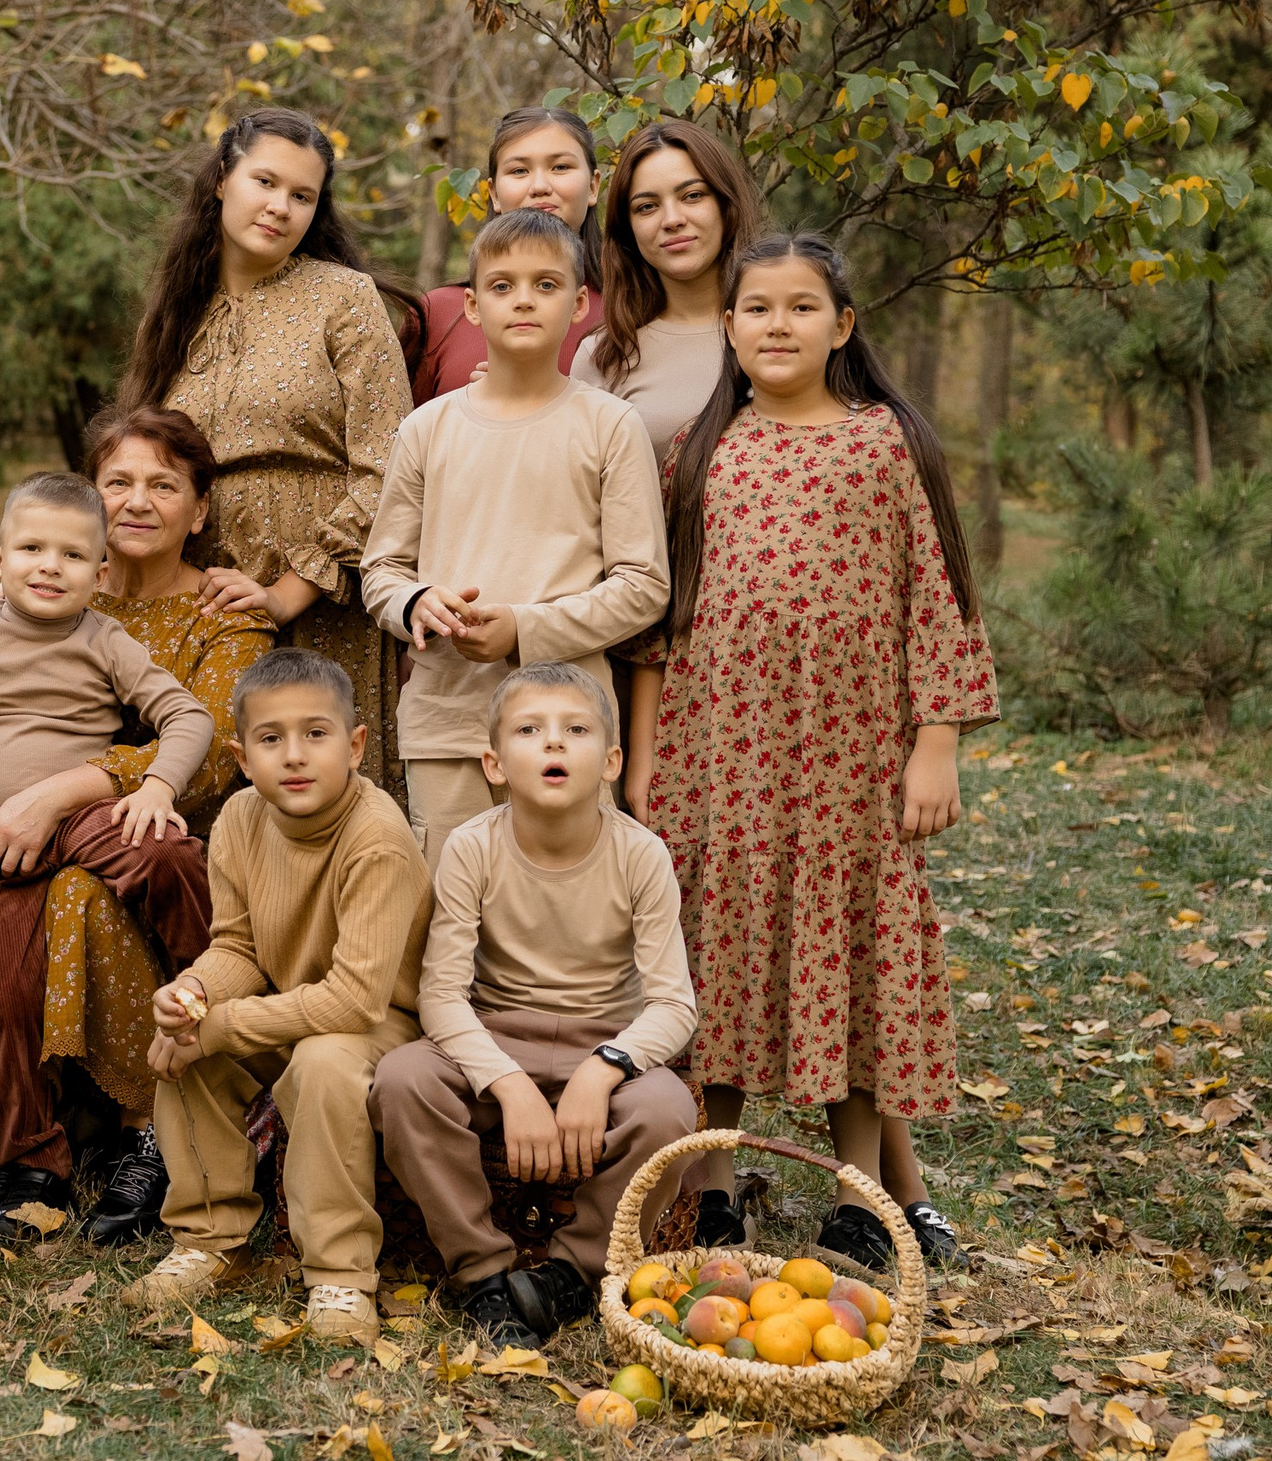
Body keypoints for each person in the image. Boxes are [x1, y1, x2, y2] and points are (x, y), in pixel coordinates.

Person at [623, 232, 995, 1270]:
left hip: (848, 762)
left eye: (799, 308)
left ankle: (860, 1195)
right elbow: (660, 628)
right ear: (728, 329)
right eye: (756, 309)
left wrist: (936, 745)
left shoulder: (884, 444)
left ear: (841, 325)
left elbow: (940, 600)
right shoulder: (697, 455)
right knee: (720, 963)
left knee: (856, 966)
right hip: (720, 759)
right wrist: (647, 758)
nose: (776, 325)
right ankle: (709, 1192)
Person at [0, 407, 274, 1246]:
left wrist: (66, 792)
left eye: (163, 485)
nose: (138, 500)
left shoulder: (188, 620)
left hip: (123, 823)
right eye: (119, 482)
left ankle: (192, 1073)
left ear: (197, 510)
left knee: (123, 869)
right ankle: (24, 1145)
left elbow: (203, 742)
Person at [370, 662, 696, 1346]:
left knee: (668, 1112)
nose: (553, 744)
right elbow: (442, 995)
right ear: (494, 762)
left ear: (611, 760)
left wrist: (604, 1068)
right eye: (530, 730)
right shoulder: (472, 847)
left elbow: (672, 1005)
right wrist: (509, 1084)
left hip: (603, 1037)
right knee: (403, 1080)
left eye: (575, 729)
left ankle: (570, 1275)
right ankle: (483, 1274)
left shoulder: (642, 854)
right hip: (496, 1032)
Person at [126, 649, 429, 1346]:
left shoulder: (375, 838)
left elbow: (355, 1002)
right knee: (184, 1043)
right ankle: (213, 1239)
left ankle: (341, 1274)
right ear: (242, 755)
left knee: (322, 1062)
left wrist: (226, 1022)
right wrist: (196, 994)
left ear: (355, 745)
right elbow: (237, 947)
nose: (294, 756)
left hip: (384, 1025)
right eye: (271, 739)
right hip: (291, 1007)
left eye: (316, 734)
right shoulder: (238, 819)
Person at [362, 209, 669, 874]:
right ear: (471, 305)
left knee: (569, 916)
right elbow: (382, 567)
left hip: (568, 721)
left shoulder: (612, 426)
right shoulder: (426, 429)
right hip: (448, 720)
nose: (523, 299)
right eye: (502, 286)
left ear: (581, 302)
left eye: (545, 284)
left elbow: (644, 585)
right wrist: (416, 604)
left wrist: (523, 630)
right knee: (453, 921)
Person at [121, 105, 416, 795]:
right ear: (223, 179)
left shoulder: (344, 298)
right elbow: (136, 464)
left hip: (322, 606)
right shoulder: (174, 313)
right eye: (265, 182)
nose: (281, 206)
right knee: (204, 796)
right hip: (200, 604)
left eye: (303, 195)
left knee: (317, 803)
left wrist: (287, 594)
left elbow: (394, 466)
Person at [569, 117, 762, 464]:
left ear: (724, 203)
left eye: (692, 195)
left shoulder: (783, 329)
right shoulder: (604, 355)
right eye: (647, 206)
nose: (671, 219)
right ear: (628, 230)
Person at [413, 107, 608, 400]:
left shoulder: (630, 307)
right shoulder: (438, 313)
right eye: (519, 171)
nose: (540, 186)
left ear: (593, 186)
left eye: (560, 167)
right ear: (493, 193)